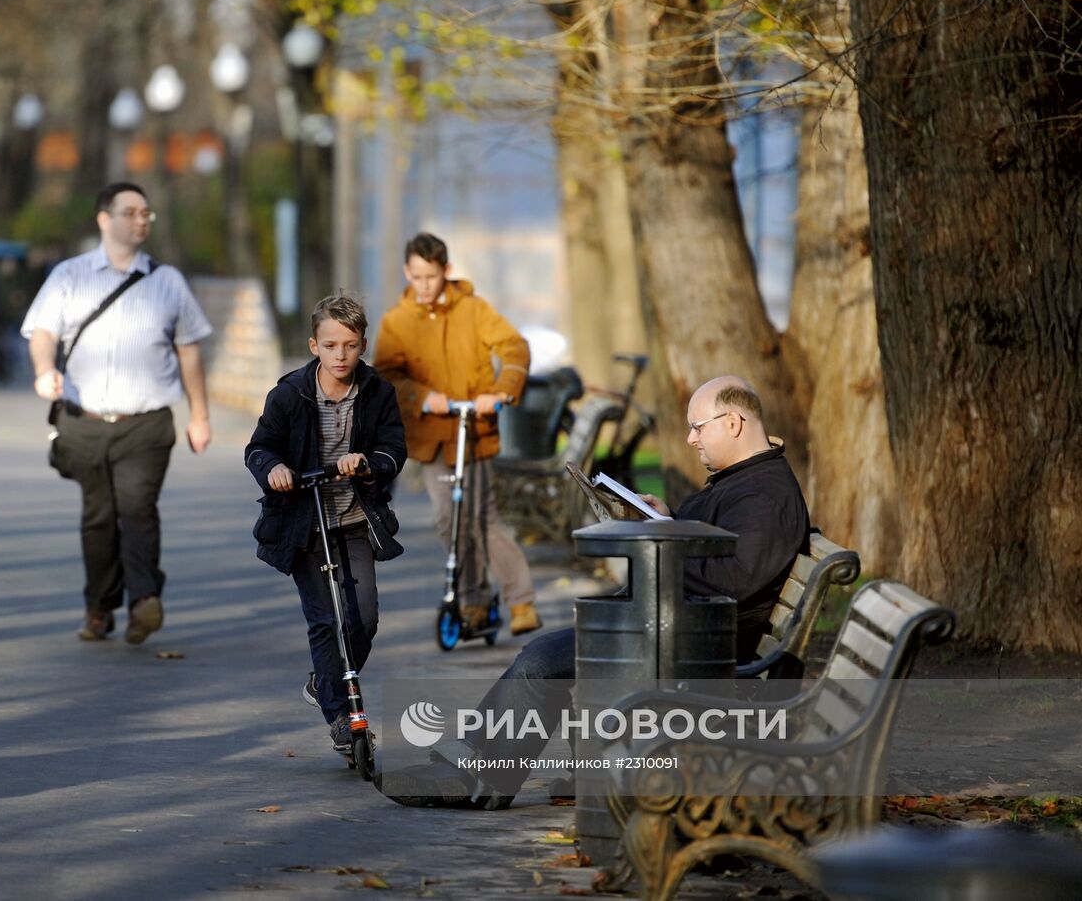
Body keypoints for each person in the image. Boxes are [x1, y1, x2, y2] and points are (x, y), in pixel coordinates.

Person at [379, 375, 811, 809]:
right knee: (548, 654)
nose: (690, 438)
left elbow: (732, 579)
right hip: (680, 634)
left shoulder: (764, 495)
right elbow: (722, 551)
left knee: (543, 661)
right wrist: (667, 520)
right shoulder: (744, 481)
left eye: (699, 427)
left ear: (734, 423)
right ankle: (484, 769)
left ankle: (478, 776)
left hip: (697, 651)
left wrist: (656, 544)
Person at [21, 182, 212, 644]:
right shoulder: (69, 275)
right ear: (104, 219)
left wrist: (199, 416)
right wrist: (44, 370)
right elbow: (42, 332)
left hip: (145, 424)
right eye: (130, 212)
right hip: (82, 421)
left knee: (137, 507)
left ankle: (144, 601)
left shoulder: (168, 282)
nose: (141, 219)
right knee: (98, 515)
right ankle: (99, 608)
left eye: (146, 212)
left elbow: (189, 352)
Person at [245, 295, 408, 757]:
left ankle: (325, 681)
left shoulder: (377, 393)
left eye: (351, 346)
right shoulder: (289, 394)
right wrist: (273, 469)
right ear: (314, 345)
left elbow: (394, 449)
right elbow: (258, 448)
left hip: (354, 519)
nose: (341, 356)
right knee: (325, 621)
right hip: (303, 523)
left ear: (363, 345)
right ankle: (341, 717)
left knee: (364, 617)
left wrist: (369, 463)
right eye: (332, 345)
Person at [372, 232, 542, 637]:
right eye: (416, 277)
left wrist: (500, 391)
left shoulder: (473, 310)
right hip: (432, 438)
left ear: (446, 271)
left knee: (483, 518)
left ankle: (520, 601)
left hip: (474, 432)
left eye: (431, 276)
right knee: (449, 518)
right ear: (406, 273)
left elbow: (514, 347)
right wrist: (421, 397)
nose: (424, 286)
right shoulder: (397, 321)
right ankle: (473, 602)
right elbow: (386, 374)